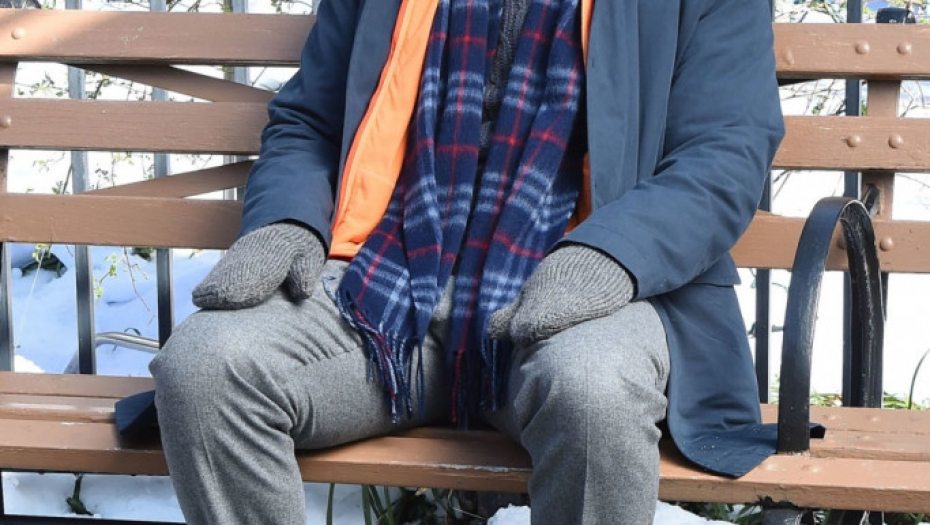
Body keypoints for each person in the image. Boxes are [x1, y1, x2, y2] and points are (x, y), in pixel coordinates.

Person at [147, 0, 784, 523]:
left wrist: (607, 254)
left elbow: (725, 153)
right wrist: (287, 218)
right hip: (386, 281)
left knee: (595, 391)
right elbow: (308, 122)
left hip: (577, 285)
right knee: (206, 369)